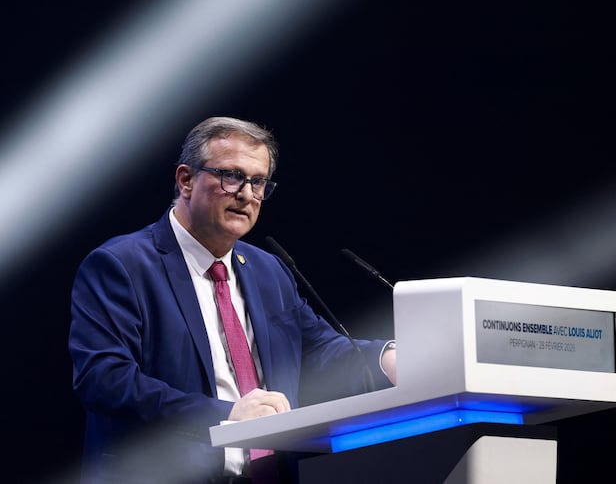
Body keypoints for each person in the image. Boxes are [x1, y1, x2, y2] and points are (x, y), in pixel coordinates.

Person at [69, 116, 397, 484]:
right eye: (231, 175)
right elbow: (105, 379)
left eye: (258, 182)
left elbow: (320, 349)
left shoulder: (268, 270)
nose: (246, 194)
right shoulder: (121, 265)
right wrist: (224, 416)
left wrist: (388, 358)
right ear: (186, 180)